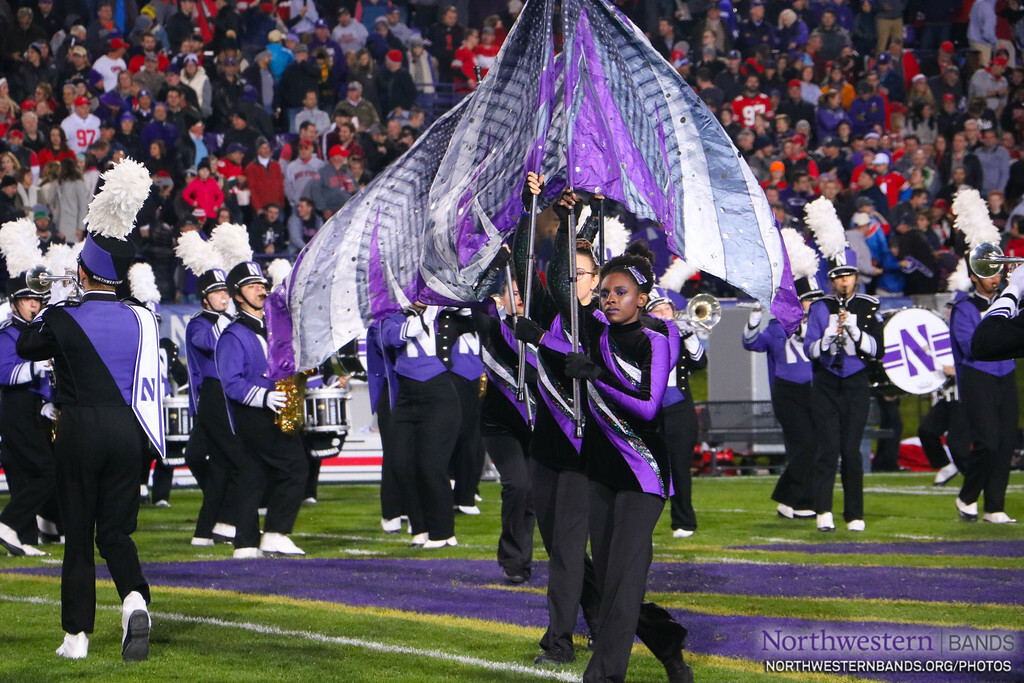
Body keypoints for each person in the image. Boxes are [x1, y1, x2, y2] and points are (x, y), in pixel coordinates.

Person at [515, 186, 692, 683]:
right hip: (599, 470)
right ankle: (667, 645)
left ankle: (605, 674)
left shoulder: (657, 336)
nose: (610, 299)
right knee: (616, 584)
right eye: (607, 292)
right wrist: (565, 221)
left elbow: (648, 405)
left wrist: (592, 374)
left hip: (643, 474)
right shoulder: (595, 327)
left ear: (641, 296)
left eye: (620, 293)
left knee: (622, 579)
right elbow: (560, 298)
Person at [18, 160, 162, 661]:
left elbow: (27, 348)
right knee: (117, 531)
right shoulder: (142, 318)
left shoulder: (62, 316)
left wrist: (54, 298)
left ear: (82, 271)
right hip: (129, 430)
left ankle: (76, 636)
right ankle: (135, 600)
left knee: (78, 534)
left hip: (79, 428)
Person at [215, 260, 309, 556]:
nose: (260, 289)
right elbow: (230, 383)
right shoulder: (234, 335)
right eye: (252, 286)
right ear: (237, 295)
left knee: (251, 475)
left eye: (261, 284)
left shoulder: (273, 329)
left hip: (275, 409)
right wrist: (264, 398)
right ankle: (276, 532)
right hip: (254, 413)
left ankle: (245, 544)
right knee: (296, 466)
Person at [804, 198, 885, 532]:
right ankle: (823, 511)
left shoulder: (868, 306)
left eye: (849, 276)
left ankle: (855, 514)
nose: (844, 282)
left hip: (854, 382)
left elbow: (876, 350)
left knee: (852, 451)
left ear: (856, 278)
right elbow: (810, 349)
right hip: (825, 382)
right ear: (832, 280)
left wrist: (853, 329)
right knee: (827, 449)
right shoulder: (822, 306)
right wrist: (826, 339)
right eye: (838, 277)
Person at [744, 236, 822, 520]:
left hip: (815, 391)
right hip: (787, 392)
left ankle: (792, 500)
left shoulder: (821, 326)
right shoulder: (777, 328)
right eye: (809, 301)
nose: (813, 306)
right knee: (805, 446)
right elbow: (751, 343)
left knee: (811, 447)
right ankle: (797, 500)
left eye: (815, 301)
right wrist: (755, 316)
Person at [474, 274, 536, 583]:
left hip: (538, 423)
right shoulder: (493, 326)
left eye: (523, 291)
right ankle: (514, 561)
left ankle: (524, 559)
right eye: (512, 292)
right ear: (502, 299)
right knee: (519, 485)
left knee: (537, 493)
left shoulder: (545, 329)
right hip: (500, 424)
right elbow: (479, 305)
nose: (519, 297)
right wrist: (494, 263)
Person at [0, 236, 57, 558]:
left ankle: (21, 539)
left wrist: (50, 401)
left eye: (38, 300)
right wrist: (38, 366)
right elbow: (5, 373)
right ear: (14, 303)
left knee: (25, 475)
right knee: (46, 471)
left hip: (35, 409)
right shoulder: (8, 333)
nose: (35, 305)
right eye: (27, 300)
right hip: (15, 407)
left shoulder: (38, 333)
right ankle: (7, 523)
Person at [179, 252, 239, 547]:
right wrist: (229, 318)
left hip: (229, 399)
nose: (224, 297)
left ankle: (209, 529)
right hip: (211, 400)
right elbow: (210, 343)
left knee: (220, 463)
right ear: (205, 298)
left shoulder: (234, 320)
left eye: (226, 291)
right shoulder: (199, 323)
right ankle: (221, 517)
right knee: (196, 457)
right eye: (217, 293)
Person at [950, 264, 1018, 523]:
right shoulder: (964, 308)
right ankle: (967, 496)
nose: (996, 278)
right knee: (988, 442)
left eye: (998, 273)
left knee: (1005, 443)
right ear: (973, 278)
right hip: (978, 375)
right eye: (989, 274)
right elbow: (970, 347)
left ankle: (994, 506)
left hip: (1006, 371)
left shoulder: (1008, 303)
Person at [647, 288, 706, 537]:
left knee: (679, 467)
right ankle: (644, 518)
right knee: (650, 469)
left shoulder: (682, 337)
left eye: (667, 309)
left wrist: (689, 333)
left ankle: (683, 521)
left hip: (679, 409)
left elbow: (701, 362)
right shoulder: (642, 339)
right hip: (650, 411)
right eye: (658, 310)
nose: (664, 314)